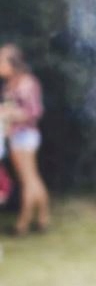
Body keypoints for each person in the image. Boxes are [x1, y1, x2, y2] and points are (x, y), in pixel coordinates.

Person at [0, 44, 50, 235]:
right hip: (14, 135)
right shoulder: (9, 84)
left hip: (26, 136)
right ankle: (43, 219)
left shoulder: (28, 83)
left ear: (13, 63)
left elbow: (34, 112)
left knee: (29, 179)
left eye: (2, 61)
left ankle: (23, 224)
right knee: (31, 178)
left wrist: (12, 114)